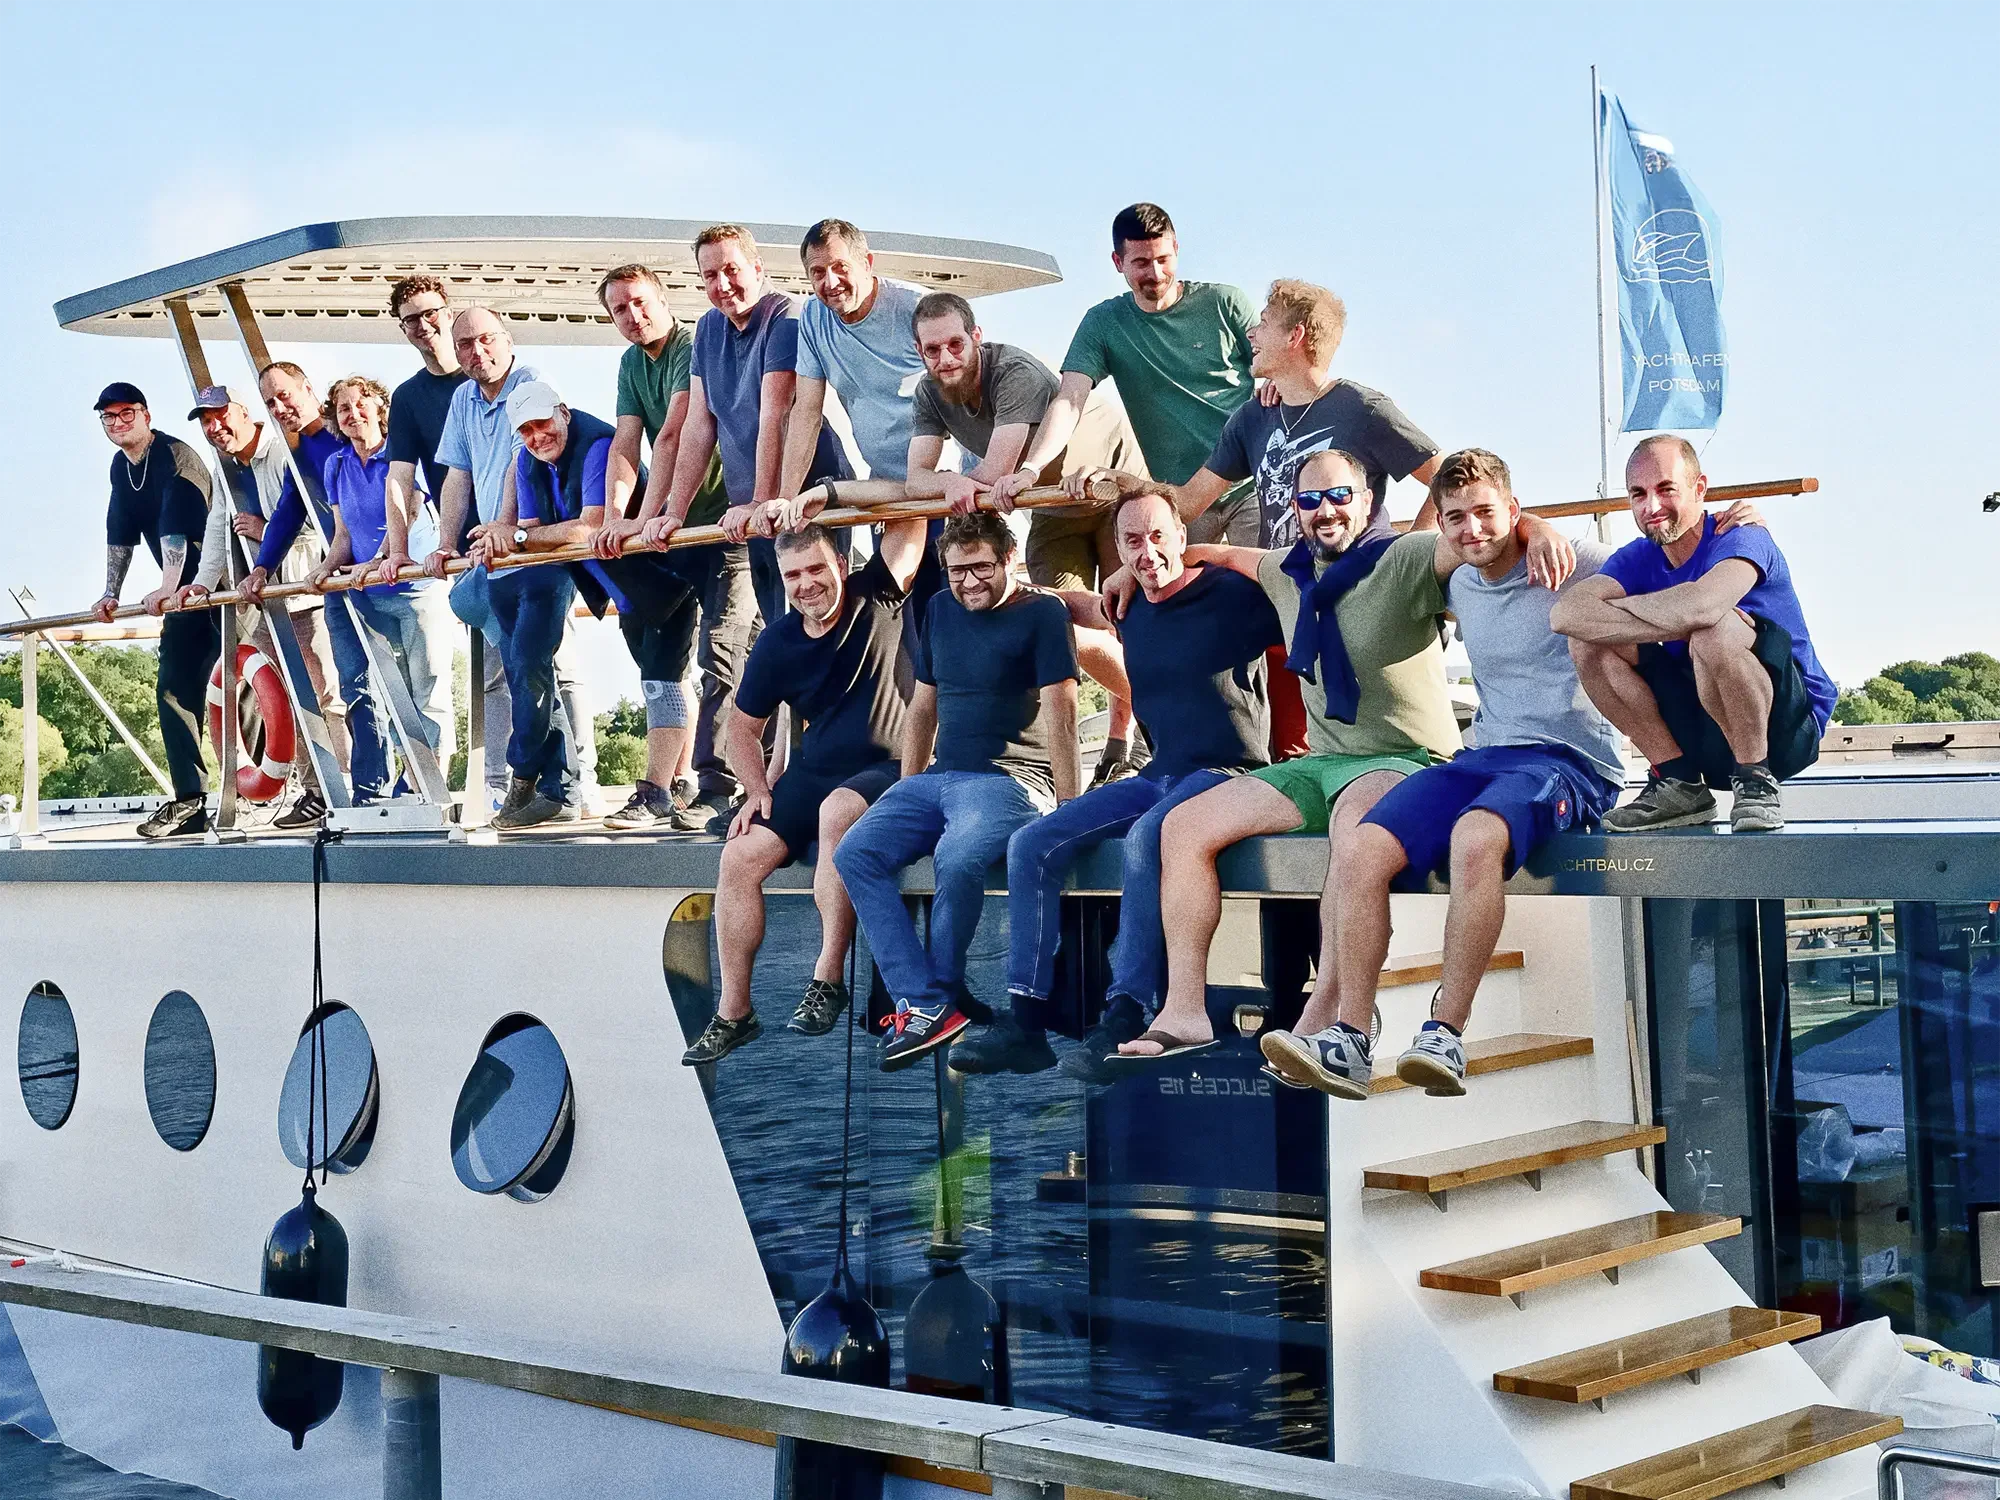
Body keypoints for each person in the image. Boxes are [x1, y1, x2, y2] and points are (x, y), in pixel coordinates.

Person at [1109, 451, 1571, 1064]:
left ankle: (1329, 1014)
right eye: (1309, 500)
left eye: (1340, 496)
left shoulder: (1404, 557)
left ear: (1368, 500)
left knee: (1353, 834)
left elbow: (1480, 537)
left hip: (1407, 757)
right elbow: (1219, 554)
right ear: (1295, 511)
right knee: (1183, 826)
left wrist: (1535, 526)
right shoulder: (1287, 572)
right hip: (1320, 763)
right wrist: (1128, 571)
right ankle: (1185, 1011)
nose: (1325, 510)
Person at [1278, 449, 1625, 1096]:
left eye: (1487, 514)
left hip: (1570, 763)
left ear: (1514, 511)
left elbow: (1667, 573)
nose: (1472, 530)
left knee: (1475, 837)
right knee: (1360, 847)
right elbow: (1366, 572)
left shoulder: (1574, 559)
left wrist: (1546, 529)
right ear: (1439, 524)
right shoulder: (1457, 580)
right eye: (1456, 518)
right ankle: (1349, 1037)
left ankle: (1445, 1032)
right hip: (1484, 753)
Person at [948, 488, 1284, 1081]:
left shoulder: (1234, 596)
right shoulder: (1129, 605)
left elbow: (1292, 581)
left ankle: (1127, 1008)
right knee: (1032, 843)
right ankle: (1025, 1022)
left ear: (1182, 536)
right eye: (1132, 541)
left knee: (1146, 840)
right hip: (1160, 771)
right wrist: (1010, 590)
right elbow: (1075, 604)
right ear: (1119, 551)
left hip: (1228, 771)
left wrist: (1209, 554)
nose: (1148, 551)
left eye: (1159, 535)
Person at [1069, 278, 1443, 761]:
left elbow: (1444, 476)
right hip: (1283, 593)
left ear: (1297, 336)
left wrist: (1409, 559)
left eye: (1264, 323)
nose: (1252, 334)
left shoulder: (1362, 408)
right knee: (1291, 749)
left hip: (1356, 598)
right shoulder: (1253, 417)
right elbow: (1187, 504)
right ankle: (1176, 762)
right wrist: (1124, 488)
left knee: (1364, 747)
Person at [679, 512, 930, 1066]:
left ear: (841, 563)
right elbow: (743, 730)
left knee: (838, 811)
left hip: (885, 766)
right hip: (811, 774)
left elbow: (912, 514)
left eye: (817, 568)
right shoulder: (777, 642)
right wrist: (754, 789)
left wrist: (826, 499)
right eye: (793, 576)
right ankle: (734, 1011)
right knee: (739, 856)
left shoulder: (879, 591)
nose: (807, 584)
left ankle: (828, 978)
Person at [833, 510, 1081, 1071]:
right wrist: (907, 787)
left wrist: (1068, 809)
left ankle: (941, 992)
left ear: (1009, 560)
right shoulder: (940, 608)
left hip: (1011, 780)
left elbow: (1064, 712)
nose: (968, 582)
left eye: (981, 569)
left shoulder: (1043, 613)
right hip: (938, 778)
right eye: (956, 570)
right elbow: (923, 707)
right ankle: (921, 1002)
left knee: (957, 855)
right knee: (855, 851)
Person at [904, 291, 1141, 787]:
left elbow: (994, 473)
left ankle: (1131, 743)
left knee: (1126, 616)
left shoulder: (1013, 372)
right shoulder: (930, 391)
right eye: (932, 350)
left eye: (954, 344)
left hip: (1105, 484)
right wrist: (950, 481)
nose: (945, 359)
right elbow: (915, 478)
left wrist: (963, 479)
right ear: (920, 352)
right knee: (1058, 621)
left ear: (976, 338)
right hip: (1050, 503)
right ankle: (1118, 739)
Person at [1553, 434, 1835, 834]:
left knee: (1712, 632)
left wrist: (1631, 612)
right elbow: (1566, 614)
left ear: (1698, 488)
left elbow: (1702, 607)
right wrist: (1670, 616)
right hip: (1705, 725)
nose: (1651, 507)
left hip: (1784, 731)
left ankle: (1756, 783)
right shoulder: (1637, 557)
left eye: (1666, 489)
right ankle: (1678, 784)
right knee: (1587, 642)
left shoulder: (1742, 535)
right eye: (1638, 493)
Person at [480, 381, 697, 830]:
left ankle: (657, 793)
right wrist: (508, 532)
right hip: (624, 592)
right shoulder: (528, 461)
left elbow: (589, 527)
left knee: (662, 681)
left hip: (665, 576)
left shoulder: (598, 445)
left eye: (543, 423)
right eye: (526, 431)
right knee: (664, 678)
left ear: (563, 411)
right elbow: (533, 530)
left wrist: (516, 537)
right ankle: (681, 781)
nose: (537, 437)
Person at [990, 203, 1260, 551]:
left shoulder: (1226, 303)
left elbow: (1274, 368)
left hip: (1250, 483)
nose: (1157, 273)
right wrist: (1030, 468)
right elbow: (1070, 400)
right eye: (1142, 263)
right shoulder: (1104, 323)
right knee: (1178, 594)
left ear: (1176, 249)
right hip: (1179, 495)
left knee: (1267, 584)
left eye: (1163, 259)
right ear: (1118, 263)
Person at [643, 223, 851, 639]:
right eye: (710, 276)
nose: (722, 284)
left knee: (821, 621)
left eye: (732, 270)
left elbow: (776, 410)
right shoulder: (706, 329)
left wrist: (763, 499)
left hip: (803, 490)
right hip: (755, 507)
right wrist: (674, 514)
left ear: (757, 268)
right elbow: (699, 426)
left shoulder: (785, 315)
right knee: (780, 627)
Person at [424, 307, 595, 808]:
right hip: (498, 554)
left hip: (539, 546)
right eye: (464, 345)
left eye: (485, 340)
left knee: (555, 667)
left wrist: (507, 529)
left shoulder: (531, 382)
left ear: (506, 339)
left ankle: (574, 779)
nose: (477, 352)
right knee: (512, 666)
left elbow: (522, 464)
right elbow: (458, 475)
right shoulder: (462, 399)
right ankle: (515, 782)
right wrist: (445, 543)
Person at [593, 262, 731, 831]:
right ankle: (659, 786)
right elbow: (628, 439)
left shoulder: (690, 342)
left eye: (641, 302)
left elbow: (676, 429)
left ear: (663, 298)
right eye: (620, 309)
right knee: (658, 657)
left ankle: (722, 785)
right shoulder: (630, 362)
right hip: (668, 527)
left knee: (724, 650)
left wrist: (648, 518)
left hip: (718, 522)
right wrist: (614, 519)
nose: (634, 315)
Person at [177, 385, 338, 828]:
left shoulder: (284, 450)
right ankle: (315, 791)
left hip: (310, 592)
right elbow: (217, 528)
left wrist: (267, 532)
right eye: (206, 422)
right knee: (277, 695)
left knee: (328, 694)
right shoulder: (226, 467)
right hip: (268, 599)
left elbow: (323, 517)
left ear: (245, 412)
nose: (215, 427)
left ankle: (344, 788)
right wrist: (201, 584)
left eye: (221, 416)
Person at [780, 219, 947, 624]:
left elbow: (967, 387)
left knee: (956, 614)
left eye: (840, 267)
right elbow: (806, 411)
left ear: (867, 263)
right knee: (901, 620)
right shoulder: (814, 320)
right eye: (817, 272)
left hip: (944, 483)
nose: (830, 281)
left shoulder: (916, 308)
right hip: (887, 487)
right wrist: (785, 499)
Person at [242, 361, 386, 809]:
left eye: (286, 394)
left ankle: (419, 781)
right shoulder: (301, 450)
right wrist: (263, 567)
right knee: (355, 687)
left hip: (386, 573)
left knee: (407, 684)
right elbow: (291, 508)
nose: (280, 406)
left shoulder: (340, 436)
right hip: (343, 581)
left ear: (308, 388)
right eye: (270, 401)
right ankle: (363, 789)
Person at [301, 376, 459, 770]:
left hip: (417, 586)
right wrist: (324, 569)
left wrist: (382, 556)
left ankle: (436, 774)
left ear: (379, 409)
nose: (353, 414)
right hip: (373, 594)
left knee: (430, 684)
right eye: (343, 408)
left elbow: (413, 508)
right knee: (397, 689)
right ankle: (414, 779)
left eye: (360, 404)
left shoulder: (403, 453)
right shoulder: (336, 464)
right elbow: (342, 534)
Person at [90, 382, 219, 839]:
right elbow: (118, 527)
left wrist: (167, 586)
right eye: (109, 417)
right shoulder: (121, 467)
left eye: (127, 413)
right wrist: (110, 592)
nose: (119, 422)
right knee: (173, 691)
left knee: (241, 686)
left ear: (146, 414)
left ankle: (290, 785)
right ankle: (190, 801)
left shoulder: (174, 457)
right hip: (181, 597)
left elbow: (177, 524)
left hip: (220, 588)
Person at [374, 274, 464, 580]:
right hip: (457, 543)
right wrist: (397, 552)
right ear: (403, 329)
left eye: (430, 313)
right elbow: (399, 478)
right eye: (412, 319)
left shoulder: (486, 377)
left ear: (449, 314)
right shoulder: (408, 397)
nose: (423, 325)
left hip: (512, 534)